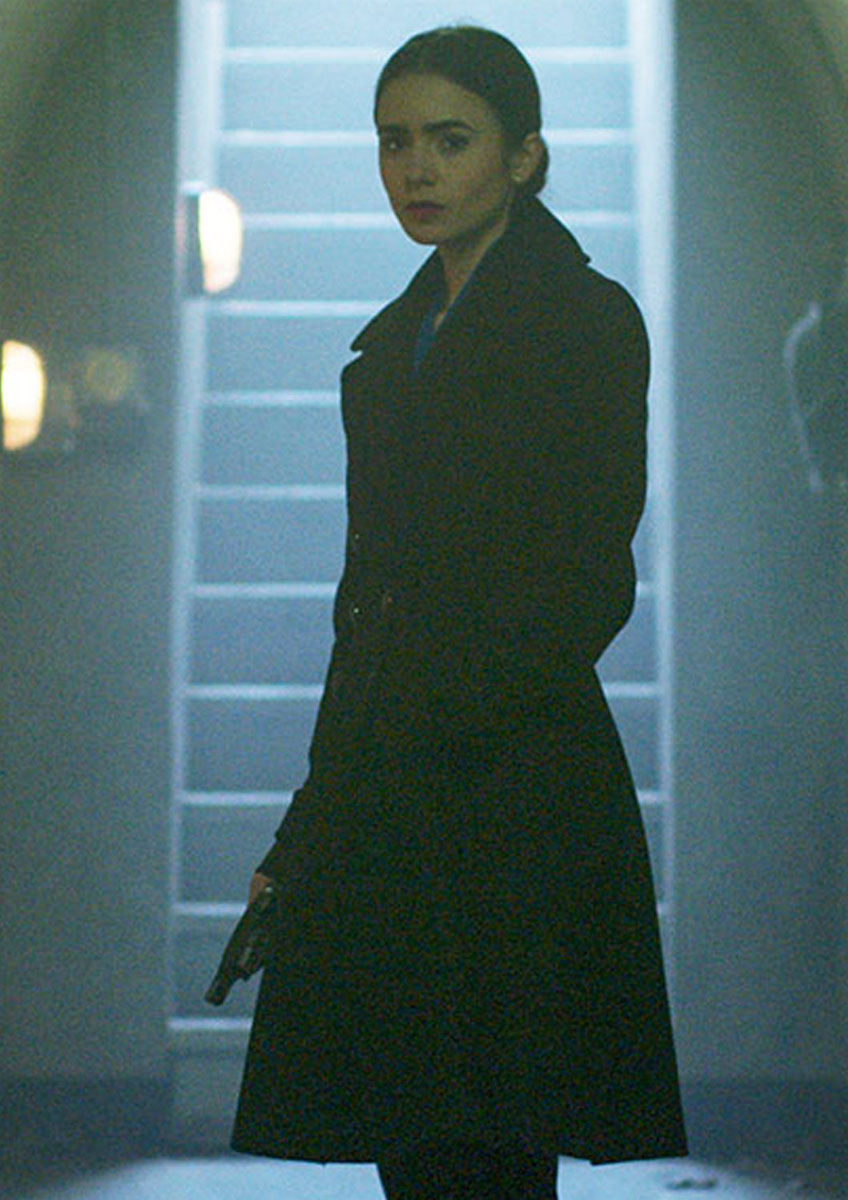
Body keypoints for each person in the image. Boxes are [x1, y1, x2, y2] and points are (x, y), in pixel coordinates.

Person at [230, 24, 687, 1199]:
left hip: (513, 782)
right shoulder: (390, 355)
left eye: (450, 140)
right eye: (394, 143)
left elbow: (589, 571)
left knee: (491, 1136)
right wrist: (312, 820)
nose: (416, 170)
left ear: (522, 157)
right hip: (392, 782)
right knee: (417, 1135)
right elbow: (366, 601)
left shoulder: (583, 321)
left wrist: (444, 716)